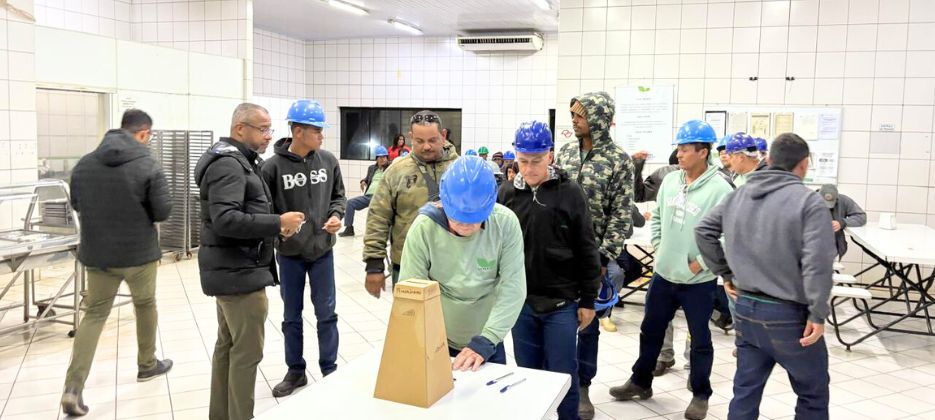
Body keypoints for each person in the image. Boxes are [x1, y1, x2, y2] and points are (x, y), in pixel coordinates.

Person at [695, 133, 836, 420]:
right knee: (812, 393)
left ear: (769, 160)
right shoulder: (809, 202)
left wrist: (726, 273)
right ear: (804, 165)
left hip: (746, 310)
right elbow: (817, 263)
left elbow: (703, 231)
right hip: (790, 316)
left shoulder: (738, 195)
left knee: (745, 392)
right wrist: (818, 314)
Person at [609, 120, 733, 420]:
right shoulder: (671, 181)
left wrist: (700, 263)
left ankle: (701, 394)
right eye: (678, 148)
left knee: (700, 338)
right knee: (650, 330)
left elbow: (728, 235)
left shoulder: (721, 189)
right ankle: (641, 382)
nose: (679, 154)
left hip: (698, 281)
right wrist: (660, 245)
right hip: (664, 275)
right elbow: (658, 216)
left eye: (685, 149)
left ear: (703, 152)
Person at [195, 103, 306, 420]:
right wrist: (276, 222)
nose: (269, 136)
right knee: (246, 353)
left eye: (271, 129)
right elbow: (226, 219)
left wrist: (277, 229)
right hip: (239, 275)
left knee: (228, 349)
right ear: (239, 128)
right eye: (263, 128)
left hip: (234, 270)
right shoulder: (229, 165)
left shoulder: (238, 161)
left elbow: (239, 216)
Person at [62, 109, 173, 417]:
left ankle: (73, 387)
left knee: (94, 315)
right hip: (138, 255)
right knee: (145, 305)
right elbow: (163, 211)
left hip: (98, 255)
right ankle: (147, 364)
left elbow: (76, 204)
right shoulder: (148, 165)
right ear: (142, 133)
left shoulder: (84, 165)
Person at [498, 121, 601, 420]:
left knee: (563, 376)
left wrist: (588, 300)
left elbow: (586, 248)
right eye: (523, 161)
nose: (529, 169)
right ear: (516, 156)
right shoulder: (506, 194)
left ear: (550, 156)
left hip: (561, 304)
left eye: (537, 161)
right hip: (521, 303)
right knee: (529, 376)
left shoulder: (570, 193)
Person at [399, 156, 526, 369]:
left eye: (475, 219)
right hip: (436, 338)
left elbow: (513, 287)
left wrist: (488, 339)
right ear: (444, 202)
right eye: (458, 219)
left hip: (487, 339)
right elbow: (411, 290)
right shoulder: (424, 227)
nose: (466, 226)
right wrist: (423, 339)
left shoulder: (505, 223)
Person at [554, 91, 634, 420]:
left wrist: (603, 259)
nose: (574, 120)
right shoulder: (566, 152)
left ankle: (583, 387)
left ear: (599, 119)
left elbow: (621, 214)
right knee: (557, 321)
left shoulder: (619, 160)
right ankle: (556, 384)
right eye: (572, 114)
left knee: (587, 325)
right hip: (558, 256)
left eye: (580, 115)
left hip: (593, 260)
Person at [259, 99, 346, 397]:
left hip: (322, 251)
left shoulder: (328, 161)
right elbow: (264, 212)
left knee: (327, 313)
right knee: (291, 315)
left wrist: (336, 215)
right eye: (316, 129)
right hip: (290, 255)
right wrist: (279, 230)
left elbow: (339, 196)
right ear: (297, 131)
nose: (322, 135)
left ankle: (330, 369)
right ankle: (295, 370)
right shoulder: (271, 168)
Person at [363, 110, 459, 297]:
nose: (426, 147)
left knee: (453, 324)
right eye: (419, 141)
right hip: (407, 265)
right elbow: (378, 217)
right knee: (410, 323)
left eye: (432, 140)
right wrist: (374, 265)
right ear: (410, 137)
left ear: (443, 135)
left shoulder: (460, 168)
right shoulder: (396, 171)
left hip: (455, 265)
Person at [339, 145, 390, 237]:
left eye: (385, 157)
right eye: (380, 157)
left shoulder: (391, 168)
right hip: (368, 196)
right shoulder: (371, 168)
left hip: (381, 197)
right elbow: (367, 179)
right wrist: (363, 181)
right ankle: (349, 228)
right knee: (350, 203)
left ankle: (381, 231)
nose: (383, 159)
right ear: (377, 158)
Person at [818, 184, 867, 259]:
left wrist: (842, 223)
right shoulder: (809, 200)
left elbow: (861, 216)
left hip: (835, 245)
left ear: (837, 198)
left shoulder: (843, 200)